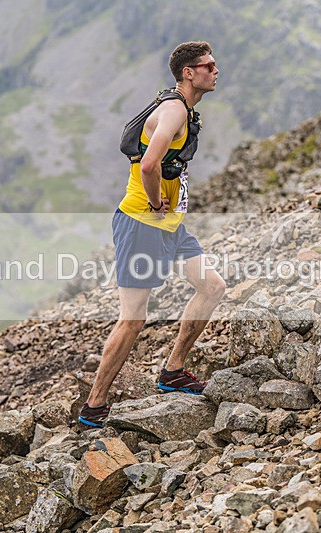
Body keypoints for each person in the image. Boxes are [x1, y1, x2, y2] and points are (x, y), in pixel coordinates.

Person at [79, 41, 226, 428]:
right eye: (208, 66)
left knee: (212, 287)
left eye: (214, 65)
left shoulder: (183, 107)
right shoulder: (175, 109)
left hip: (170, 227)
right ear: (188, 73)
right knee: (133, 319)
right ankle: (95, 404)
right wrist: (158, 199)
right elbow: (148, 164)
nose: (215, 71)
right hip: (142, 223)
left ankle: (173, 370)